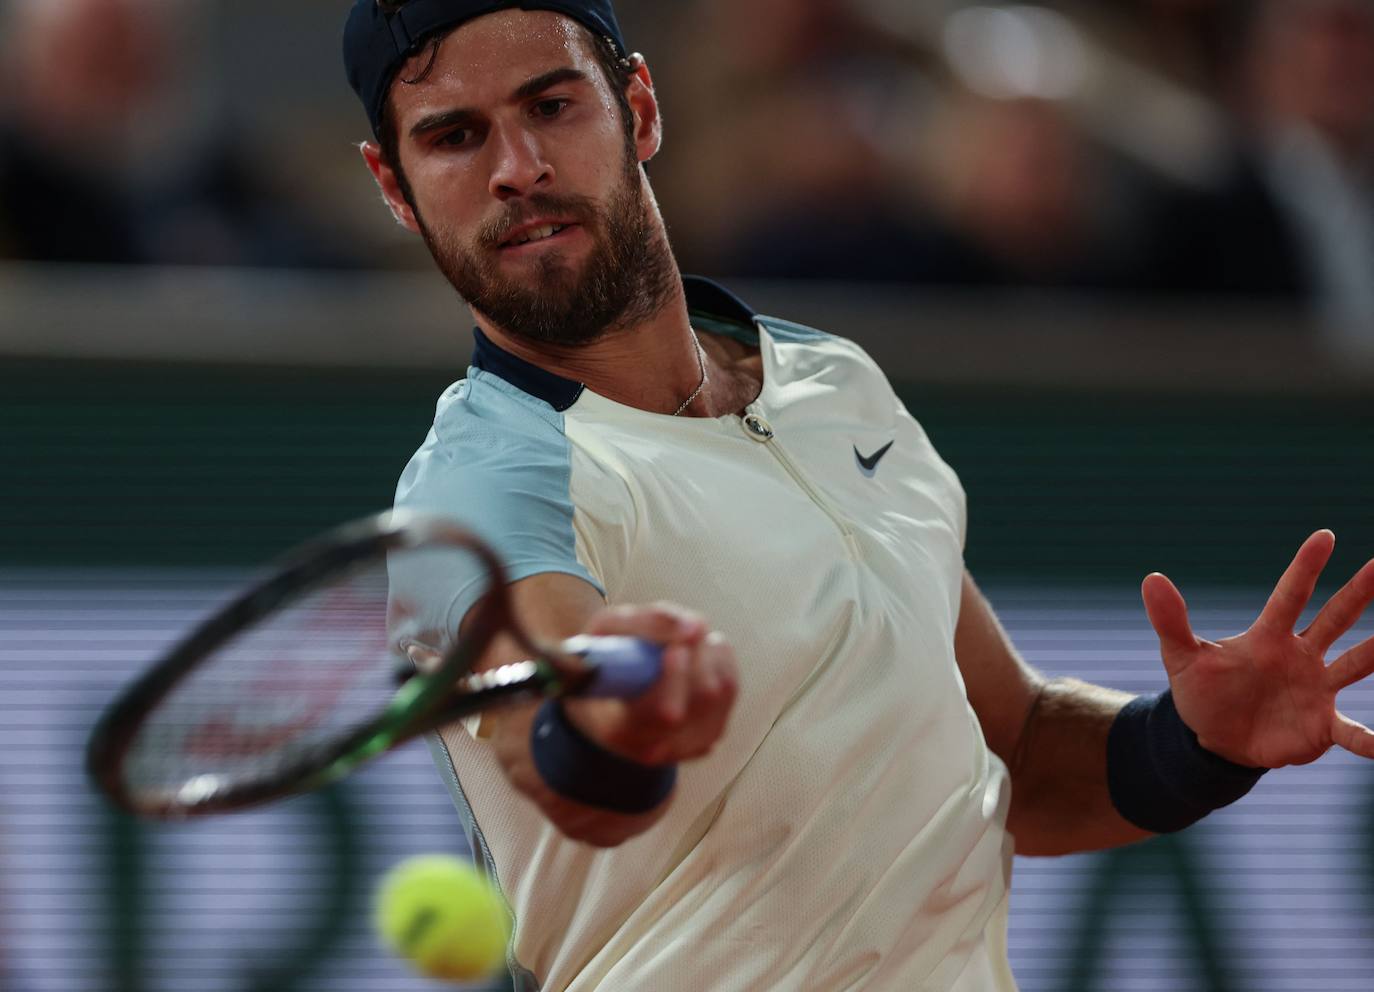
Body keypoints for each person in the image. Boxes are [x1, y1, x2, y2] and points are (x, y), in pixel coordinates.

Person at [342, 2, 1374, 988]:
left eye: (552, 106)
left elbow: (1013, 748)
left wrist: (1194, 739)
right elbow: (555, 735)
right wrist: (621, 725)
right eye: (455, 137)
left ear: (640, 107)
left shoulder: (834, 381)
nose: (517, 168)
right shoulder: (476, 490)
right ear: (394, 184)